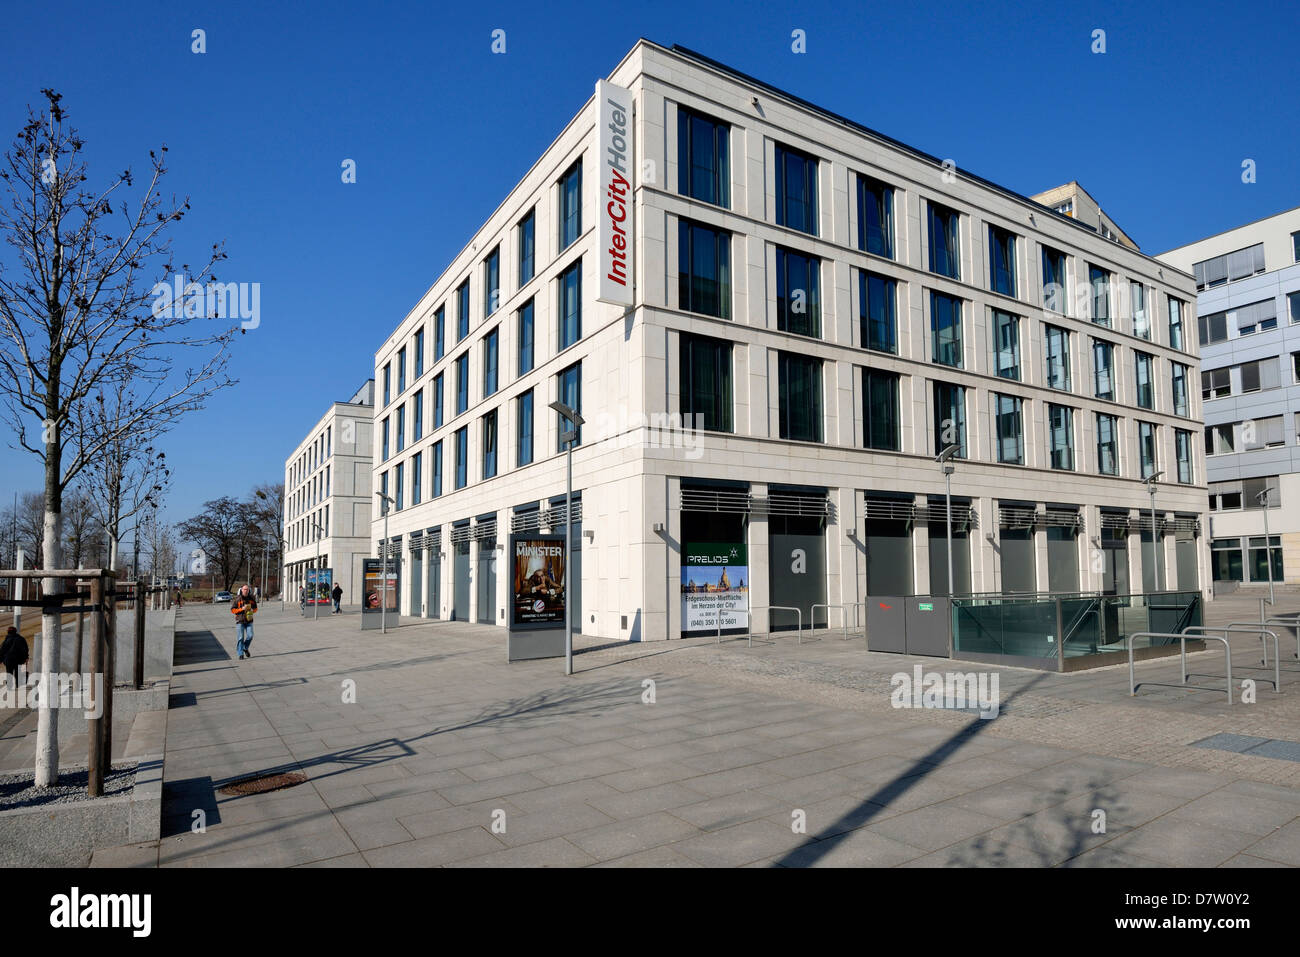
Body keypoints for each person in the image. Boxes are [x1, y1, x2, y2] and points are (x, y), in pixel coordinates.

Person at [233, 584, 258, 660]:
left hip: (249, 620)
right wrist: (241, 609)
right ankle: (240, 654)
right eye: (244, 589)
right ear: (241, 590)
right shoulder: (237, 599)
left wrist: (252, 610)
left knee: (250, 636)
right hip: (240, 621)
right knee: (240, 638)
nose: (246, 591)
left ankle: (245, 647)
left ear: (249, 590)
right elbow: (232, 610)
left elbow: (256, 608)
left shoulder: (251, 598)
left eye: (247, 589)